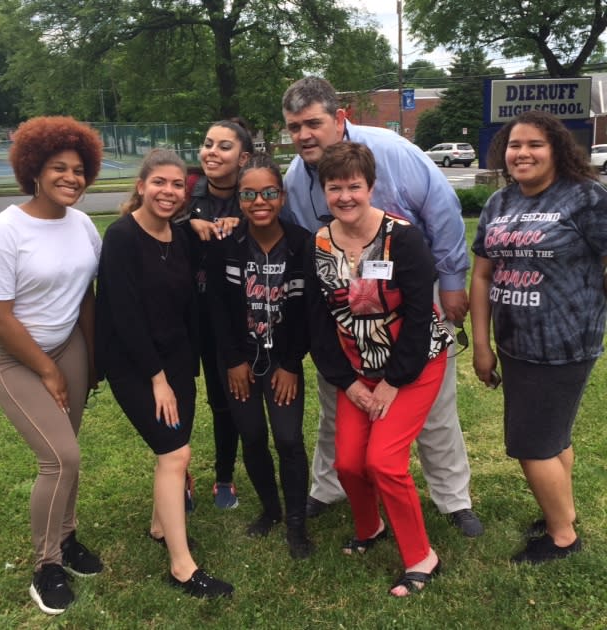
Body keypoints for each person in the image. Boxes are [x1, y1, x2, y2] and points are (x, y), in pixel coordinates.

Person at [281, 76, 483, 536]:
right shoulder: (296, 177)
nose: (304, 135)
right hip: (345, 307)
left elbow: (443, 210)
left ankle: (453, 499)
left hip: (412, 298)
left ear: (339, 118)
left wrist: (452, 283)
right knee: (339, 400)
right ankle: (329, 486)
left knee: (433, 405)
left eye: (313, 123)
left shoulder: (389, 151)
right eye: (294, 127)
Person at [0, 116, 104, 615]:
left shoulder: (84, 225)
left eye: (78, 169)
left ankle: (67, 539)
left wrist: (91, 359)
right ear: (34, 170)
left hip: (69, 346)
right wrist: (47, 372)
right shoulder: (5, 230)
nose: (71, 178)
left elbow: (86, 297)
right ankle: (46, 566)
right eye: (58, 168)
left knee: (68, 450)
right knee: (61, 458)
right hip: (15, 355)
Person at [306, 142, 451, 596]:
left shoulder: (402, 238)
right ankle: (369, 529)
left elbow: (419, 313)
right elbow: (318, 320)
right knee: (348, 463)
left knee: (384, 462)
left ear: (370, 187)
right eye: (335, 187)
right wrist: (348, 383)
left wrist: (392, 383)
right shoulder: (319, 243)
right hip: (357, 370)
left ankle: (422, 556)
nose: (345, 196)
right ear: (324, 191)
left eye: (354, 186)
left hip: (413, 364)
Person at [469, 111, 607, 563]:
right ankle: (560, 513)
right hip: (515, 342)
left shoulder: (586, 198)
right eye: (514, 145)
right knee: (554, 438)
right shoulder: (500, 203)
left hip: (565, 341)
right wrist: (484, 345)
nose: (522, 153)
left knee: (532, 444)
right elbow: (484, 274)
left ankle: (562, 537)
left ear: (557, 150)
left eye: (534, 145)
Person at [94, 149, 233, 598]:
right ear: (141, 186)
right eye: (159, 183)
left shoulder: (181, 236)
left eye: (177, 185)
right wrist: (156, 378)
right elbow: (125, 313)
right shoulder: (121, 237)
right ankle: (181, 566)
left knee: (175, 453)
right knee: (174, 455)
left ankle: (160, 526)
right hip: (136, 365)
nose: (168, 192)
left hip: (177, 362)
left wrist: (206, 223)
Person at [207, 153, 314, 559]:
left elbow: (308, 312)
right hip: (238, 363)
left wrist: (290, 363)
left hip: (283, 361)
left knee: (288, 439)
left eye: (269, 192)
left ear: (282, 196)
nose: (259, 201)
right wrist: (233, 360)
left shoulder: (302, 242)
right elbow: (216, 307)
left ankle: (297, 524)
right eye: (249, 194)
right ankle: (270, 510)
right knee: (252, 436)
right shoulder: (227, 245)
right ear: (239, 199)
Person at [182, 119, 254, 509]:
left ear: (242, 157)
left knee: (224, 400)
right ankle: (178, 474)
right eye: (208, 143)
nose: (212, 152)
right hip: (181, 318)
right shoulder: (184, 192)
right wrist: (185, 224)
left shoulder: (251, 197)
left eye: (224, 147)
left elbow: (274, 235)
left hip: (225, 321)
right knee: (176, 397)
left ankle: (224, 476)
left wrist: (244, 224)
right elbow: (148, 224)